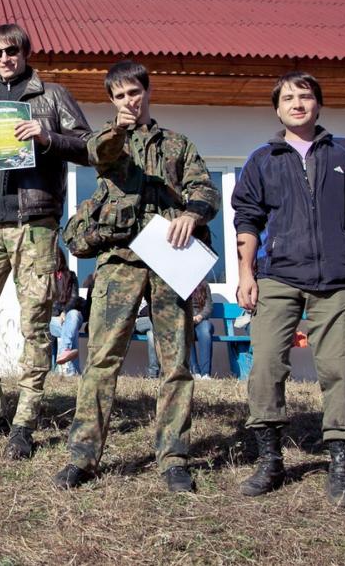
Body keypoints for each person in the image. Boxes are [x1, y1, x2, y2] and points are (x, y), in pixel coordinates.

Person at [53, 60, 220, 491]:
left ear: (148, 91)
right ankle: (83, 457)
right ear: (112, 101)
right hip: (119, 263)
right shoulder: (108, 142)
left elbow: (205, 188)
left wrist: (190, 213)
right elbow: (100, 154)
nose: (130, 100)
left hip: (170, 261)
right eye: (121, 95)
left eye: (135, 92)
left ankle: (174, 457)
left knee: (176, 364)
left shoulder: (179, 144)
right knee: (102, 361)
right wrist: (120, 129)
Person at [232, 71, 345, 508]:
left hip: (337, 280)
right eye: (288, 98)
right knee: (264, 366)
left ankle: (340, 466)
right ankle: (270, 461)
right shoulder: (262, 159)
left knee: (339, 370)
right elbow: (247, 219)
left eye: (305, 96)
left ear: (318, 103)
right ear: (277, 108)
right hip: (277, 276)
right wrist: (246, 273)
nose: (297, 103)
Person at [0, 23, 92, 460]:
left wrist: (47, 137)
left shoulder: (51, 96)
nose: (5, 58)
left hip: (36, 224)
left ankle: (25, 422)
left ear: (27, 52)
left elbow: (88, 147)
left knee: (35, 326)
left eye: (12, 51)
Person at [50, 249, 85, 375]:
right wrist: (58, 313)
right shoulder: (46, 278)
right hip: (53, 320)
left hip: (70, 316)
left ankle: (64, 350)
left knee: (74, 315)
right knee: (71, 331)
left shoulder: (71, 275)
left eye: (56, 258)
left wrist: (65, 311)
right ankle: (72, 372)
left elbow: (74, 297)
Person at [188, 281, 215, 379]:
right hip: (187, 321)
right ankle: (195, 372)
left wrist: (200, 316)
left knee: (205, 331)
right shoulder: (180, 285)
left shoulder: (204, 285)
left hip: (201, 321)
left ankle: (206, 373)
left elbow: (209, 306)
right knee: (185, 330)